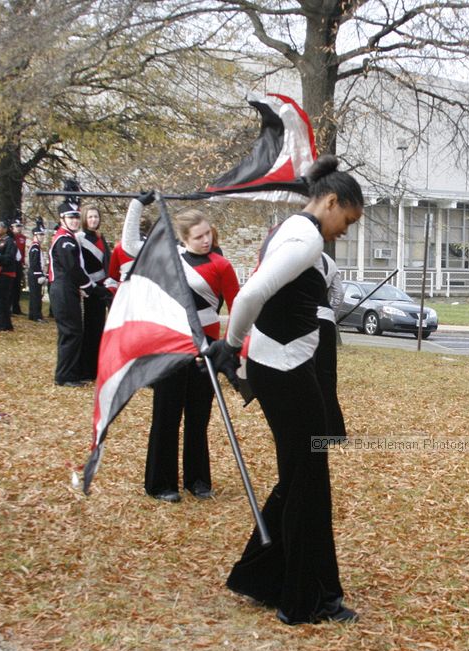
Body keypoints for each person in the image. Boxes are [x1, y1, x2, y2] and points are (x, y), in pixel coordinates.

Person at [210, 154, 361, 625]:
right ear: (331, 201)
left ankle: (262, 577)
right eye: (347, 219)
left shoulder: (292, 229)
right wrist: (230, 347)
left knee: (300, 478)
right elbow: (252, 294)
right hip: (287, 373)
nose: (345, 231)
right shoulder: (305, 236)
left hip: (285, 368)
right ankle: (306, 599)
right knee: (308, 482)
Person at [143, 208, 239, 503]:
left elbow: (237, 308)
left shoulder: (221, 265)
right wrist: (138, 205)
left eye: (208, 233)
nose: (206, 239)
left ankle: (197, 479)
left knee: (198, 416)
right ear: (184, 238)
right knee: (166, 415)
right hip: (171, 343)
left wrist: (229, 347)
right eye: (199, 236)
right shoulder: (168, 259)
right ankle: (161, 483)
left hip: (207, 347)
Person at [49, 196, 103, 387]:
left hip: (68, 288)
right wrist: (89, 286)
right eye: (70, 217)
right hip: (63, 288)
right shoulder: (64, 240)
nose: (74, 220)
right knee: (71, 331)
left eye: (76, 217)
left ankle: (70, 373)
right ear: (62, 218)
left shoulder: (69, 238)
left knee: (73, 331)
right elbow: (73, 268)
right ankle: (65, 376)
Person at [315, 252, 346, 439]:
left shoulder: (296, 256)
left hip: (304, 322)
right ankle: (334, 430)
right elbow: (338, 294)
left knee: (306, 375)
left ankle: (310, 427)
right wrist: (330, 314)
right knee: (327, 376)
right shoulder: (329, 261)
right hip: (326, 321)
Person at [78, 206, 111, 381]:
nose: (93, 220)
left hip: (101, 288)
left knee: (98, 329)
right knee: (88, 330)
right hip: (88, 289)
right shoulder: (80, 238)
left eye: (96, 216)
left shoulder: (100, 238)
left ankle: (95, 368)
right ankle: (85, 370)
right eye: (90, 217)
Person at [0, 220, 17, 331]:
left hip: (5, 273)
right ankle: (0, 323)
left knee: (3, 299)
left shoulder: (9, 242)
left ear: (5, 229)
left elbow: (10, 258)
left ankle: (4, 324)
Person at [27, 219, 47, 322]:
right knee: (36, 295)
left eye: (43, 235)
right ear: (35, 235)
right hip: (35, 274)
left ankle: (32, 314)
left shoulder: (37, 247)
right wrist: (39, 275)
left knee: (35, 294)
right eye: (40, 235)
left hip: (35, 274)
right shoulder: (35, 247)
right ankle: (36, 315)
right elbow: (35, 262)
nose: (42, 237)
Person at [11, 218, 27, 315]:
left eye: (20, 226)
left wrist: (23, 262)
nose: (18, 228)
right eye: (17, 226)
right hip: (12, 263)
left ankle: (16, 307)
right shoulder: (10, 237)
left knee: (17, 286)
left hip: (19, 263)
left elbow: (23, 250)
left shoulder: (22, 238)